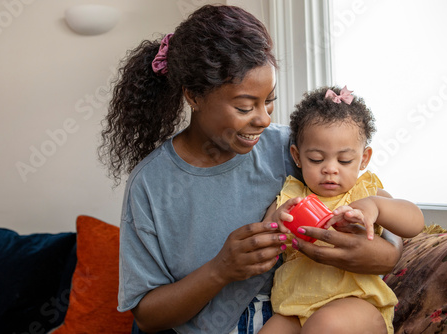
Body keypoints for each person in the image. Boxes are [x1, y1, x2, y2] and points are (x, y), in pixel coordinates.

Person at [98, 5, 404, 334]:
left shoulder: (296, 149)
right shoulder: (152, 184)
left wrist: (385, 254)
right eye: (245, 106)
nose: (263, 119)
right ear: (193, 96)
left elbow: (379, 215)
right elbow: (147, 315)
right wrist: (220, 270)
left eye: (269, 100)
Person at [259, 86, 425, 334]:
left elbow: (415, 222)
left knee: (326, 325)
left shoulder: (367, 194)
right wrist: (278, 221)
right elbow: (264, 237)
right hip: (293, 310)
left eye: (344, 160)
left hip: (356, 306)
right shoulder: (290, 196)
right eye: (316, 159)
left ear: (364, 158)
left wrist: (376, 206)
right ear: (297, 156)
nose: (330, 169)